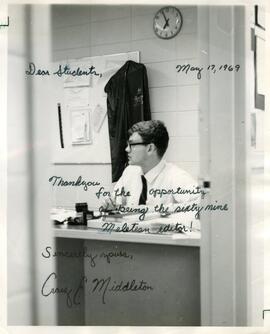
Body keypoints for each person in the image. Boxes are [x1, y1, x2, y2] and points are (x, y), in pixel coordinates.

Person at [103, 120, 201, 216]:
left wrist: (152, 209)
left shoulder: (175, 176)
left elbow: (202, 203)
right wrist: (110, 205)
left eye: (132, 145)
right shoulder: (130, 172)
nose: (127, 149)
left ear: (150, 148)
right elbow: (115, 202)